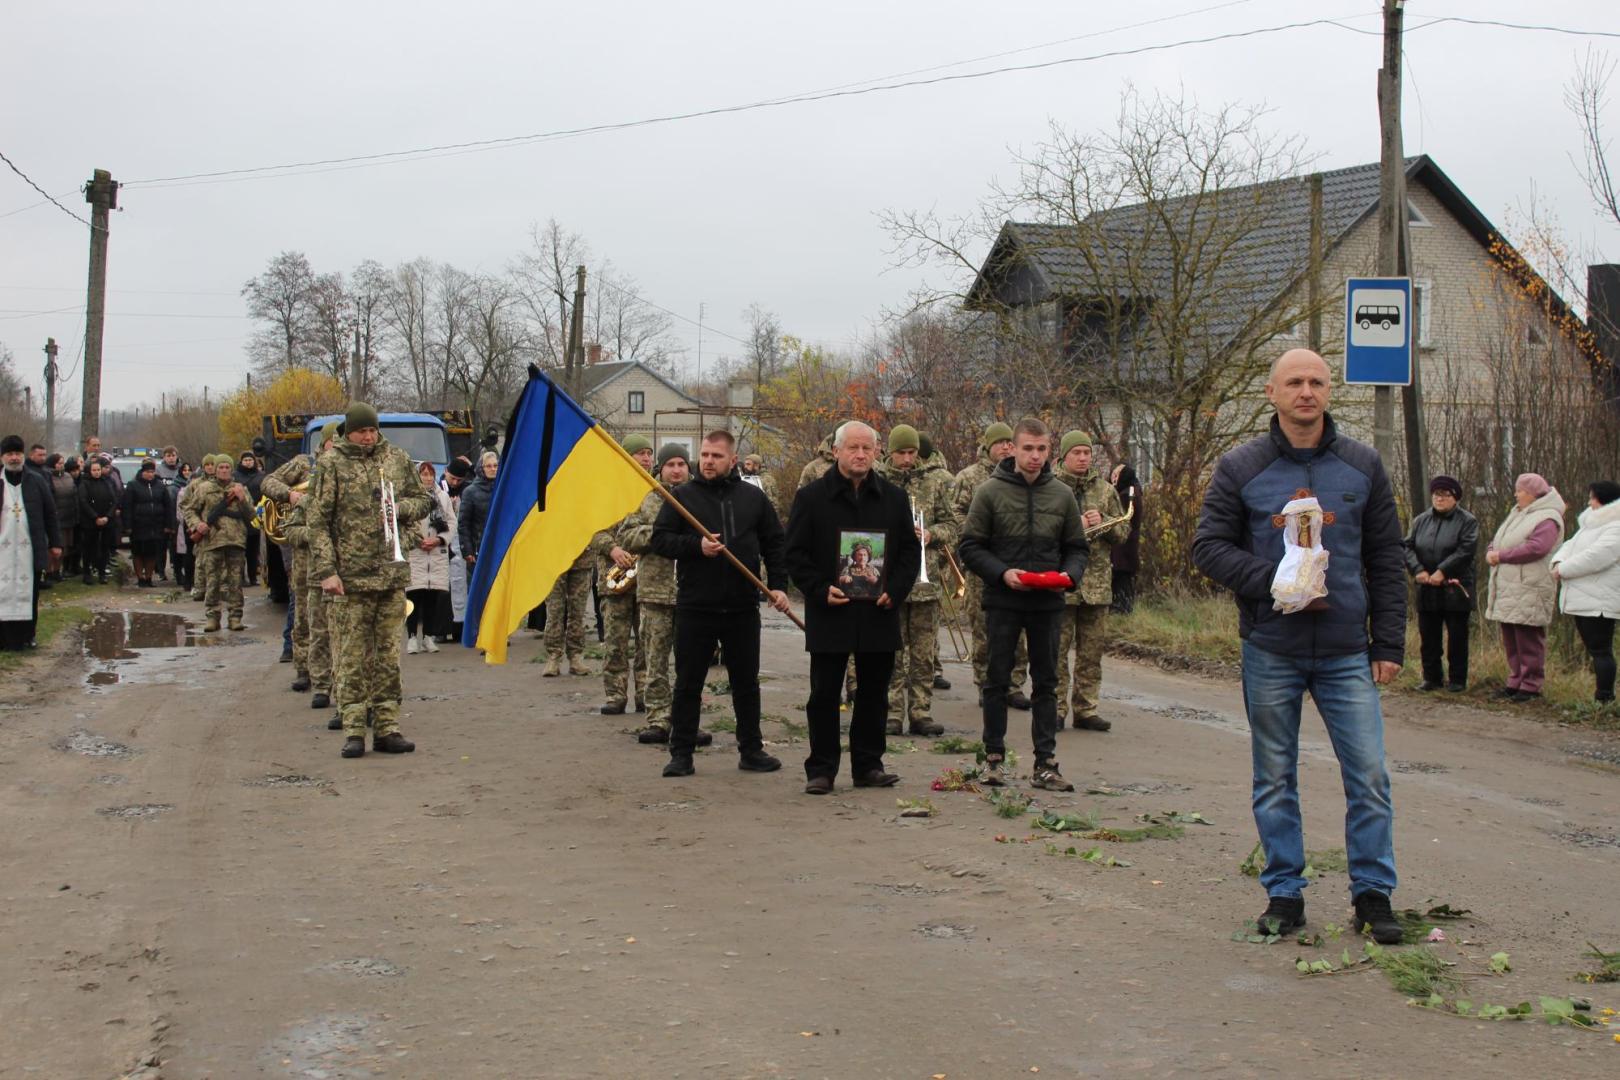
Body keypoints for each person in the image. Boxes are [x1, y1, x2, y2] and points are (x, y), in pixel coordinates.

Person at [1192, 348, 1406, 945]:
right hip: (1272, 646)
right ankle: (1284, 894)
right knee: (1274, 776)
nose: (1305, 391)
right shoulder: (1241, 467)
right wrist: (1274, 582)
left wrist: (1388, 640)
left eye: (1315, 381)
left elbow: (1387, 558)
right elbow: (1207, 547)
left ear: (1329, 391)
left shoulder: (1363, 466)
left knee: (1368, 775)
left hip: (1345, 649)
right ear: (1272, 392)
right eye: (1294, 382)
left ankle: (1373, 895)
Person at [786, 421, 921, 794]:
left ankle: (868, 765)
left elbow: (910, 552)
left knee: (875, 693)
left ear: (877, 452)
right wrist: (817, 590)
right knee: (825, 693)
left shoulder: (893, 498)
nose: (860, 455)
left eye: (868, 448)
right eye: (853, 448)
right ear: (836, 451)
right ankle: (822, 769)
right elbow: (794, 555)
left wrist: (895, 590)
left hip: (879, 610)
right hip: (831, 608)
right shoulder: (811, 497)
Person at [652, 429, 793, 778]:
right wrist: (695, 547)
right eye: (705, 455)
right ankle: (681, 753)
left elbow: (775, 544)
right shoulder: (681, 496)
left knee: (746, 682)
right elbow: (661, 540)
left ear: (732, 459)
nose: (709, 461)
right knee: (688, 682)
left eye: (717, 456)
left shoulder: (753, 498)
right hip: (696, 605)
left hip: (742, 606)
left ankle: (751, 749)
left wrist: (778, 586)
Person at [959, 418, 1088, 793]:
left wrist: (1069, 575)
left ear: (1050, 451)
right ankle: (993, 759)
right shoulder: (989, 492)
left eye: (1041, 449)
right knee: (996, 680)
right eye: (1027, 448)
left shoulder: (1062, 495)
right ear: (1012, 449)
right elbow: (970, 546)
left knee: (1047, 682)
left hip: (1048, 602)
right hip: (1003, 601)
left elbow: (1077, 548)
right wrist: (1001, 574)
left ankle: (1045, 763)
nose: (1034, 456)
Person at [306, 403, 429, 759]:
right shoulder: (331, 464)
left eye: (373, 431)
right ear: (349, 431)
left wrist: (397, 512)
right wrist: (327, 571)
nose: (368, 437)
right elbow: (318, 522)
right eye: (362, 432)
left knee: (389, 656)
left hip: (390, 576)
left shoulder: (395, 458)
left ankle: (388, 727)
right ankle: (355, 729)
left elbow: (421, 501)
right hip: (350, 579)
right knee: (352, 658)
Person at [877, 423, 956, 737]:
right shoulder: (878, 481)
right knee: (891, 652)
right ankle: (891, 713)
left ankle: (921, 712)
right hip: (888, 580)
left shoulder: (936, 481)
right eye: (901, 453)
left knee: (923, 653)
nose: (907, 459)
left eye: (912, 453)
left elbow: (953, 524)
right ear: (890, 452)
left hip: (926, 582)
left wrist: (932, 534)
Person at [620, 444, 701, 744]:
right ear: (661, 468)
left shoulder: (699, 498)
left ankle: (687, 722)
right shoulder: (646, 498)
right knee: (655, 662)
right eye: (670, 464)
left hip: (692, 594)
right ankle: (658, 719)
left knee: (690, 665)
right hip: (655, 593)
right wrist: (660, 534)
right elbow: (626, 535)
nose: (677, 469)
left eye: (682, 464)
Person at [1054, 432, 1129, 731]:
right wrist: (1076, 525)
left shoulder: (1105, 490)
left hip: (1097, 586)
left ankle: (1086, 709)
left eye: (1087, 452)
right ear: (1064, 456)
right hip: (1061, 583)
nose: (1083, 458)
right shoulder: (1052, 488)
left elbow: (1123, 532)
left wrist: (1105, 525)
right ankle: (1056, 709)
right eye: (1077, 453)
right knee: (1056, 652)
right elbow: (1040, 532)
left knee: (1091, 653)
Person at [955, 422, 1031, 709]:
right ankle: (986, 685)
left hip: (1017, 563)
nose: (1006, 448)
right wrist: (984, 530)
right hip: (982, 569)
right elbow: (956, 516)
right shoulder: (969, 478)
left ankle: (1014, 685)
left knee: (1019, 630)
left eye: (1010, 443)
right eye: (1000, 443)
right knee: (984, 630)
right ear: (988, 446)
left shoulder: (1023, 476)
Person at [1484, 473, 1567, 703]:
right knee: (1511, 634)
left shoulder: (1548, 518)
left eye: (1520, 491)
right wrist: (1492, 550)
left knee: (1528, 636)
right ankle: (1515, 680)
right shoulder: (1518, 513)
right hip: (1511, 585)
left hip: (1530, 585)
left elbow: (1537, 548)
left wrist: (1501, 555)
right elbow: (1500, 539)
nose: (1516, 494)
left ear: (1532, 494)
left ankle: (1531, 684)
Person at [593, 435, 654, 713]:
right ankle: (615, 695)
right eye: (640, 453)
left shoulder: (656, 492)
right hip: (615, 580)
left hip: (649, 582)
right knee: (615, 644)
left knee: (647, 644)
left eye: (649, 453)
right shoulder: (608, 492)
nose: (646, 459)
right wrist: (613, 549)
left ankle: (645, 693)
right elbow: (593, 531)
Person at [1403, 475, 1479, 693]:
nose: (1440, 499)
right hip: (1426, 586)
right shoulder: (1421, 520)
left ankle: (1457, 680)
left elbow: (1466, 550)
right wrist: (1418, 570)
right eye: (1437, 495)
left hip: (1455, 586)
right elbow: (1406, 547)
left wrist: (1442, 571)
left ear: (1455, 498)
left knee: (1457, 636)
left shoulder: (1467, 521)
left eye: (1445, 495)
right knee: (1429, 636)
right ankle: (1431, 677)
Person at [1552, 480, 1620, 705]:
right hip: (1583, 597)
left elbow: (1596, 557)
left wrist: (1563, 569)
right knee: (1595, 650)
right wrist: (1558, 560)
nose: (1589, 501)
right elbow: (1569, 545)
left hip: (1601, 600)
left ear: (1602, 499)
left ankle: (1605, 699)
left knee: (1601, 650)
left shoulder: (1616, 526)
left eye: (1592, 497)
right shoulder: (1590, 525)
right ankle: (1601, 698)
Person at [1, 435, 62, 649]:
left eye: (17, 454)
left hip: (30, 548)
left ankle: (28, 635)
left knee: (30, 591)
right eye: (10, 454)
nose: (14, 458)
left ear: (23, 455)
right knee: (3, 590)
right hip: (3, 550)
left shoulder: (36, 480)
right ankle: (3, 638)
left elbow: (50, 513)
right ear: (3, 457)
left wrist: (55, 543)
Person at [186, 455, 253, 632]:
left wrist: (242, 499)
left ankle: (235, 616)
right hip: (212, 541)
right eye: (220, 467)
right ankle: (212, 617)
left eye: (227, 467)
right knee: (212, 581)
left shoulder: (240, 489)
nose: (224, 470)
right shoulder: (204, 489)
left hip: (236, 540)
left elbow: (252, 516)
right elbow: (190, 510)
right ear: (215, 470)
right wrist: (197, 524)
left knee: (235, 582)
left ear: (231, 469)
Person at [406, 459, 455, 654]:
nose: (427, 478)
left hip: (435, 554)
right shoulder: (409, 497)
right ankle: (411, 637)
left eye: (430, 474)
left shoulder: (442, 497)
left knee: (433, 599)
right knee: (413, 598)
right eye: (423, 474)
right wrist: (417, 540)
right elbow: (404, 523)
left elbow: (451, 522)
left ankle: (428, 636)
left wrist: (440, 539)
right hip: (416, 554)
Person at [120, 459, 174, 588]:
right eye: (148, 472)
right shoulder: (133, 485)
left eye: (152, 472)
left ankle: (149, 577)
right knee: (138, 553)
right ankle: (140, 578)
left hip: (156, 525)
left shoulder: (160, 486)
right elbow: (127, 506)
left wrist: (169, 525)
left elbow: (168, 506)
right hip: (138, 525)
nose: (150, 474)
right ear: (142, 472)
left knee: (152, 553)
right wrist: (127, 526)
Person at [442, 457, 474, 643]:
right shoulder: (438, 487)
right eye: (452, 478)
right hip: (441, 543)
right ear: (446, 472)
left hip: (461, 544)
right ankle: (441, 628)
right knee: (443, 588)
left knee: (461, 585)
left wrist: (471, 467)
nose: (454, 483)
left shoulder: (467, 490)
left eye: (459, 480)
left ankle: (460, 627)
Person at [78, 457, 119, 585]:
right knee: (89, 547)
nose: (96, 472)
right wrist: (95, 517)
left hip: (107, 520)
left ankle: (102, 573)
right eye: (94, 470)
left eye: (98, 470)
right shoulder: (84, 483)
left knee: (105, 547)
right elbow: (83, 502)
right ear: (89, 471)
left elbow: (114, 500)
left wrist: (108, 516)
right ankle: (87, 572)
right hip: (90, 521)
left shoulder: (107, 481)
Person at [1109, 462, 1143, 614]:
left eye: (1117, 475)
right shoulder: (1131, 490)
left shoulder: (1127, 494)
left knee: (1121, 578)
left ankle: (1121, 609)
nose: (1113, 478)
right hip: (1126, 545)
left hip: (1123, 546)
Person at [233, 449, 265, 586]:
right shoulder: (235, 476)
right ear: (241, 462)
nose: (248, 462)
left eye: (250, 460)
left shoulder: (261, 476)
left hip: (256, 514)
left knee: (253, 550)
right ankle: (240, 577)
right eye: (245, 460)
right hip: (240, 516)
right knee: (240, 549)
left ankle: (253, 577)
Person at [46, 455, 76, 584]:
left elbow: (74, 493)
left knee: (64, 548)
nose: (61, 465)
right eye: (58, 463)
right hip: (56, 517)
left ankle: (58, 571)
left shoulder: (68, 476)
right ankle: (49, 572)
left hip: (68, 516)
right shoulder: (48, 477)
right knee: (53, 548)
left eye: (62, 463)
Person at [154, 446, 181, 581]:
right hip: (163, 512)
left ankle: (177, 569)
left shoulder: (182, 469)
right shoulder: (158, 470)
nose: (171, 458)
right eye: (168, 456)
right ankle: (160, 570)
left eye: (173, 455)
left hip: (178, 511)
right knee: (161, 543)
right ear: (164, 457)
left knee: (176, 544)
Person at [170, 462, 194, 592]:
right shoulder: (180, 491)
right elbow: (180, 509)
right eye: (184, 470)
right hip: (183, 525)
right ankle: (182, 576)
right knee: (183, 553)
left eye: (188, 469)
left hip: (197, 524)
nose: (186, 472)